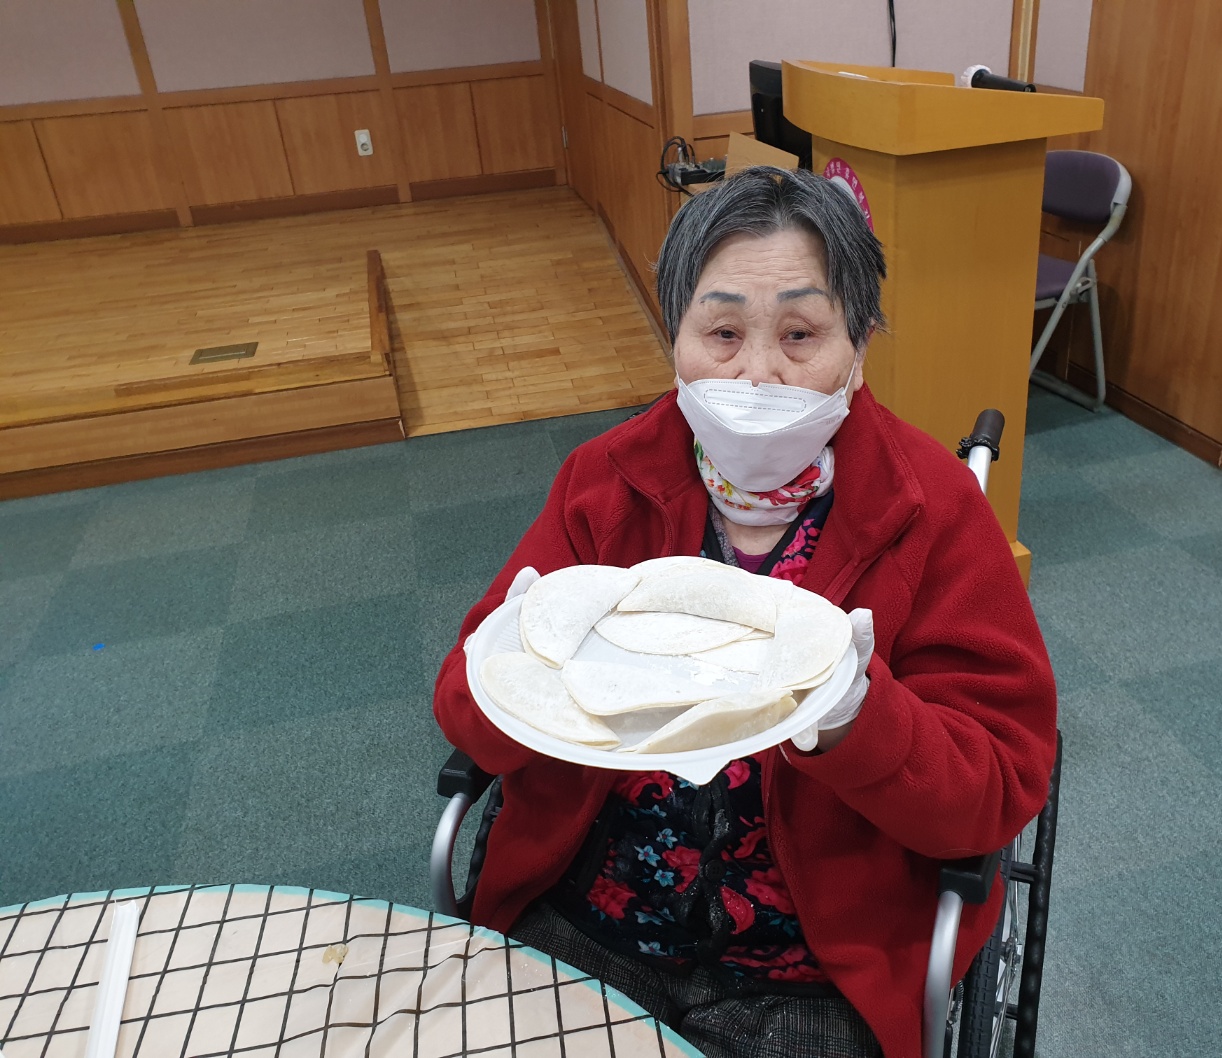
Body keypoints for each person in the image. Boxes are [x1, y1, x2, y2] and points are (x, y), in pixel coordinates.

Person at [434, 166, 1057, 1058]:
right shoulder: (605, 482)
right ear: (675, 336)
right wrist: (511, 667)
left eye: (800, 334)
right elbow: (465, 716)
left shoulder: (933, 509)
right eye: (722, 332)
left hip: (816, 962)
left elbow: (993, 787)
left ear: (859, 344)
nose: (758, 373)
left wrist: (859, 718)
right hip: (591, 916)